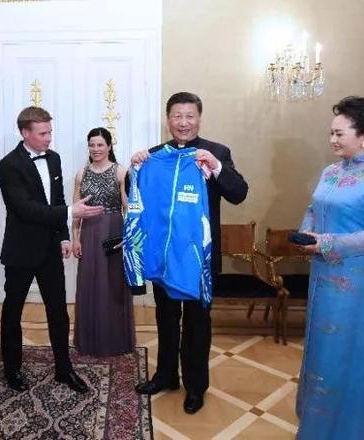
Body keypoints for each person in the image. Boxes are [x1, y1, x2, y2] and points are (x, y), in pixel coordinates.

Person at [132, 92, 248, 414]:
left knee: (197, 324)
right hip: (165, 256)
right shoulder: (156, 155)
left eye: (189, 116)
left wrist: (217, 167)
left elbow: (239, 193)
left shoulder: (216, 152)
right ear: (167, 119)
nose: (183, 123)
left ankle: (195, 387)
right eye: (177, 116)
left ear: (199, 118)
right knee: (166, 318)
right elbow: (137, 193)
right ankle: (165, 376)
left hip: (199, 259)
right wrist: (135, 167)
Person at [294, 97, 364, 439]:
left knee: (345, 351)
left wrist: (327, 243)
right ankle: (315, 426)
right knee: (320, 348)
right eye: (332, 133)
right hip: (322, 275)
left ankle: (343, 431)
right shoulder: (331, 172)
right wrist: (307, 233)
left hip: (356, 281)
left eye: (339, 134)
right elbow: (314, 208)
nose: (332, 140)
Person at [0, 106, 103, 393]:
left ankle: (63, 369)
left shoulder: (53, 159)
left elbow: (56, 201)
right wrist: (70, 212)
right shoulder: (8, 165)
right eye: (43, 133)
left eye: (50, 132)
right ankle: (12, 369)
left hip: (49, 250)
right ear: (25, 133)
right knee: (12, 312)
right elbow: (24, 209)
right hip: (21, 250)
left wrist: (64, 238)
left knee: (58, 312)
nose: (48, 138)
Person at [72, 127, 135, 356]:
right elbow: (76, 211)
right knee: (89, 285)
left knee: (112, 285)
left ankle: (115, 341)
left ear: (109, 146)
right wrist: (75, 239)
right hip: (88, 234)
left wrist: (129, 236)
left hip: (113, 233)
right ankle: (89, 341)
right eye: (92, 145)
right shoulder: (81, 174)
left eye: (100, 144)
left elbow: (129, 208)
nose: (95, 149)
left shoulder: (121, 171)